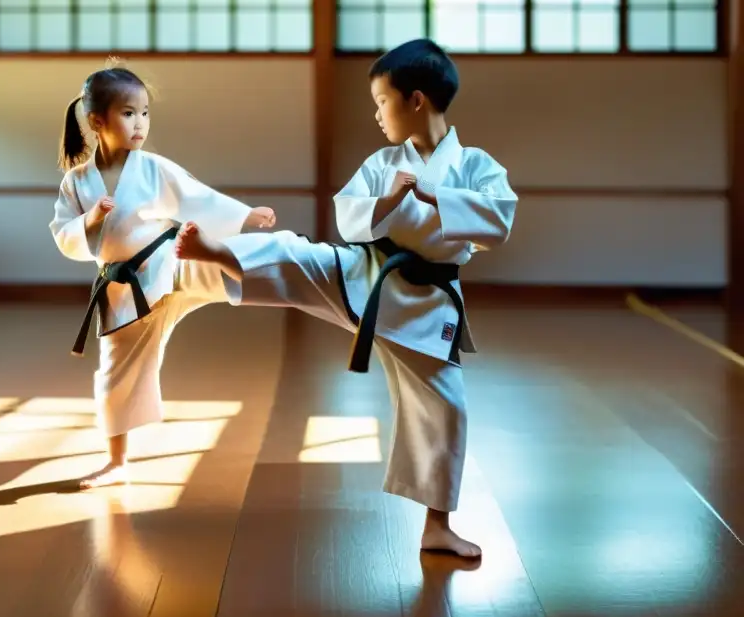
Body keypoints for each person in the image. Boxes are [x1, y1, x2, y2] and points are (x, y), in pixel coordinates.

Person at [173, 39, 518, 558]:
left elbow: (499, 222)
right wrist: (390, 198)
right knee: (298, 254)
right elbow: (347, 218)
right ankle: (224, 254)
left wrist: (434, 196)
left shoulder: (474, 165)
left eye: (383, 101)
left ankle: (437, 525)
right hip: (369, 273)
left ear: (417, 100)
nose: (377, 114)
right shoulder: (384, 163)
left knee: (445, 410)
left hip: (427, 303)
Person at [50, 60, 277, 489]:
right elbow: (63, 234)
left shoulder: (153, 168)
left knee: (239, 263)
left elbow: (198, 198)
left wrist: (245, 215)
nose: (140, 124)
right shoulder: (77, 182)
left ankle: (303, 273)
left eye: (145, 113)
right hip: (124, 289)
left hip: (174, 263)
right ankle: (116, 463)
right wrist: (91, 222)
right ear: (98, 121)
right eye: (128, 113)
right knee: (114, 374)